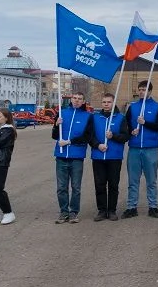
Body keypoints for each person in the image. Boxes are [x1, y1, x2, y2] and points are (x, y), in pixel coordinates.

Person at [124, 81, 158, 219]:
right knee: (133, 180)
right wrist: (131, 131)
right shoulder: (133, 107)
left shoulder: (157, 107)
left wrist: (145, 123)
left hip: (150, 148)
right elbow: (126, 125)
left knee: (151, 180)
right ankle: (131, 207)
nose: (142, 92)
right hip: (134, 148)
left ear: (150, 91)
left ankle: (153, 207)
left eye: (144, 89)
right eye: (140, 89)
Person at [52, 91, 93, 224]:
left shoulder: (88, 116)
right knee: (61, 187)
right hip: (61, 156)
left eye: (79, 99)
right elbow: (54, 135)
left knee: (76, 187)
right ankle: (64, 212)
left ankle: (74, 212)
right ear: (71, 99)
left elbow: (86, 137)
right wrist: (56, 125)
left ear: (83, 101)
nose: (76, 100)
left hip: (77, 157)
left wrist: (69, 142)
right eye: (74, 98)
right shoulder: (62, 113)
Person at [89, 93, 130, 221]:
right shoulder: (95, 117)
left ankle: (112, 210)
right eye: (104, 102)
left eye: (109, 102)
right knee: (99, 185)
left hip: (114, 157)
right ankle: (102, 210)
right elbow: (90, 136)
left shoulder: (121, 118)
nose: (106, 104)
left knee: (113, 185)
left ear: (113, 103)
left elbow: (125, 137)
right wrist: (98, 145)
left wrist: (113, 136)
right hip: (98, 156)